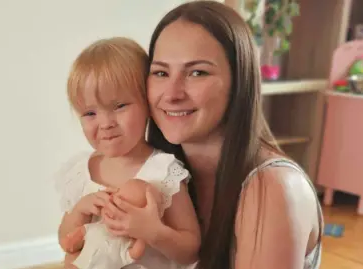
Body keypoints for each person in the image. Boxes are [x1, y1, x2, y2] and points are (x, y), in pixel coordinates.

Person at [102, 1, 324, 269]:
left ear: (239, 81)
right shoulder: (162, 173)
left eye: (197, 72)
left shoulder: (275, 188)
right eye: (161, 72)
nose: (172, 94)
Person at [55, 37, 200, 269]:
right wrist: (81, 210)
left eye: (119, 106)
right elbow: (65, 240)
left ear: (147, 104)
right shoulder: (82, 171)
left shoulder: (162, 171)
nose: (105, 123)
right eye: (90, 113)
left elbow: (190, 251)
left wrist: (153, 231)